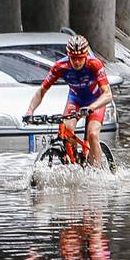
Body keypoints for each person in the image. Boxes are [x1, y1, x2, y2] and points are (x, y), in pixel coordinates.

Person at [24, 33, 113, 168]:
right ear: (68, 55)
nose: (77, 62)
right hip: (76, 99)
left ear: (85, 56)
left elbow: (107, 95)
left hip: (96, 101)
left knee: (93, 134)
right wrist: (30, 111)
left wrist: (92, 107)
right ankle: (75, 159)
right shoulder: (60, 66)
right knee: (67, 129)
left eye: (80, 58)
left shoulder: (94, 64)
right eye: (73, 58)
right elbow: (42, 90)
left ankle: (98, 172)